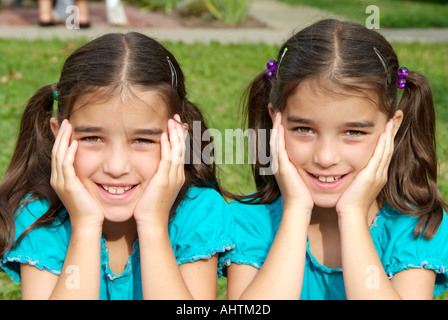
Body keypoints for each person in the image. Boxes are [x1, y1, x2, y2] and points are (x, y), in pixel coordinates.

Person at [225, 19, 448, 300]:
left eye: (353, 132)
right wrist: (295, 210)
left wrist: (353, 215)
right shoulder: (249, 222)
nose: (326, 157)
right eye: (304, 129)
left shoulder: (414, 226)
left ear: (391, 128)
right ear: (276, 122)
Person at [0, 32, 232, 299]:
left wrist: (153, 225)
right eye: (92, 138)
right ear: (58, 134)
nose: (117, 166)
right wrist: (85, 228)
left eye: (143, 140)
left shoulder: (198, 213)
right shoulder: (41, 218)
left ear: (177, 138)